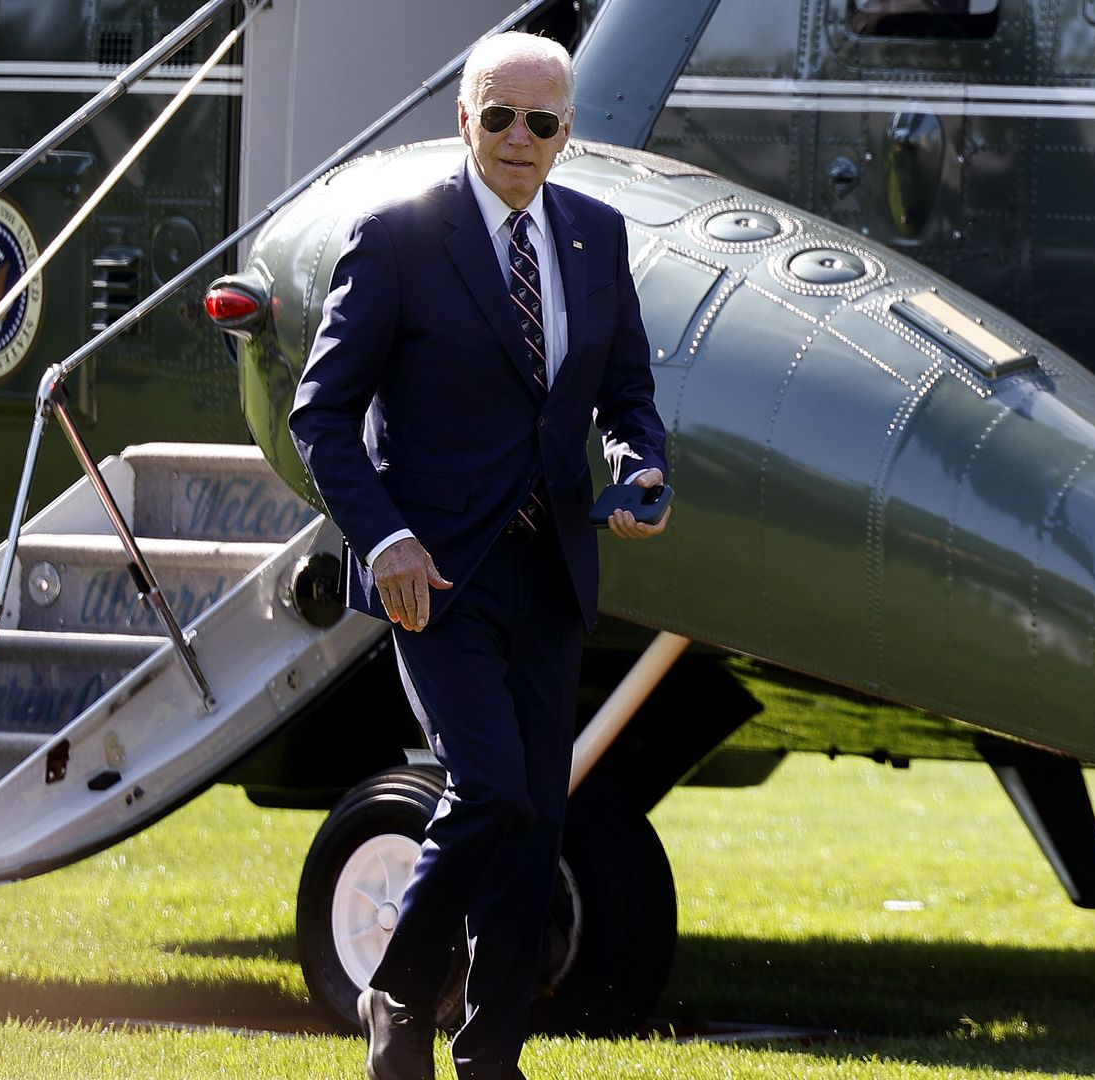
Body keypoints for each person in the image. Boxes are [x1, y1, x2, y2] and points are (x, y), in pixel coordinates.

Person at [287, 30, 670, 1080]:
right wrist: (388, 537)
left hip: (551, 571)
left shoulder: (595, 236)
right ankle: (400, 995)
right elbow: (321, 418)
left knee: (538, 820)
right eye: (497, 115)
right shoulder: (398, 236)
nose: (517, 136)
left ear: (565, 134)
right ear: (463, 118)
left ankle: (490, 1054)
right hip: (435, 576)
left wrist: (642, 468)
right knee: (491, 787)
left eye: (539, 121)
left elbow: (628, 396)